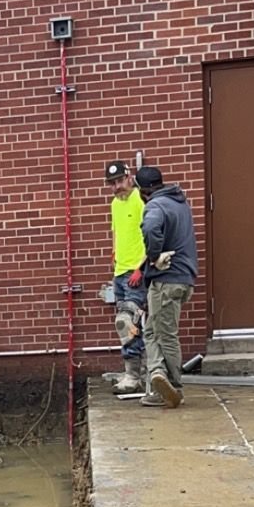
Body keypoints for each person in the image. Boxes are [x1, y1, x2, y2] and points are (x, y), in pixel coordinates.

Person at [133, 164, 199, 407]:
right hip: (183, 279)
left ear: (143, 190)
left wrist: (152, 257)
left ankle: (173, 387)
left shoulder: (155, 206)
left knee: (165, 334)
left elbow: (151, 227)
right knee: (151, 331)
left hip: (166, 280)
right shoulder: (179, 202)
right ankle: (158, 374)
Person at [106, 159, 148, 394]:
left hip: (136, 271)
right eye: (112, 183)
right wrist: (114, 256)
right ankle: (132, 371)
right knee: (126, 325)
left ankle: (133, 376)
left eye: (120, 180)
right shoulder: (115, 203)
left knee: (127, 322)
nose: (117, 186)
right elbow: (116, 232)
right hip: (120, 271)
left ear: (129, 177)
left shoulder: (140, 199)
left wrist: (140, 268)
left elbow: (152, 233)